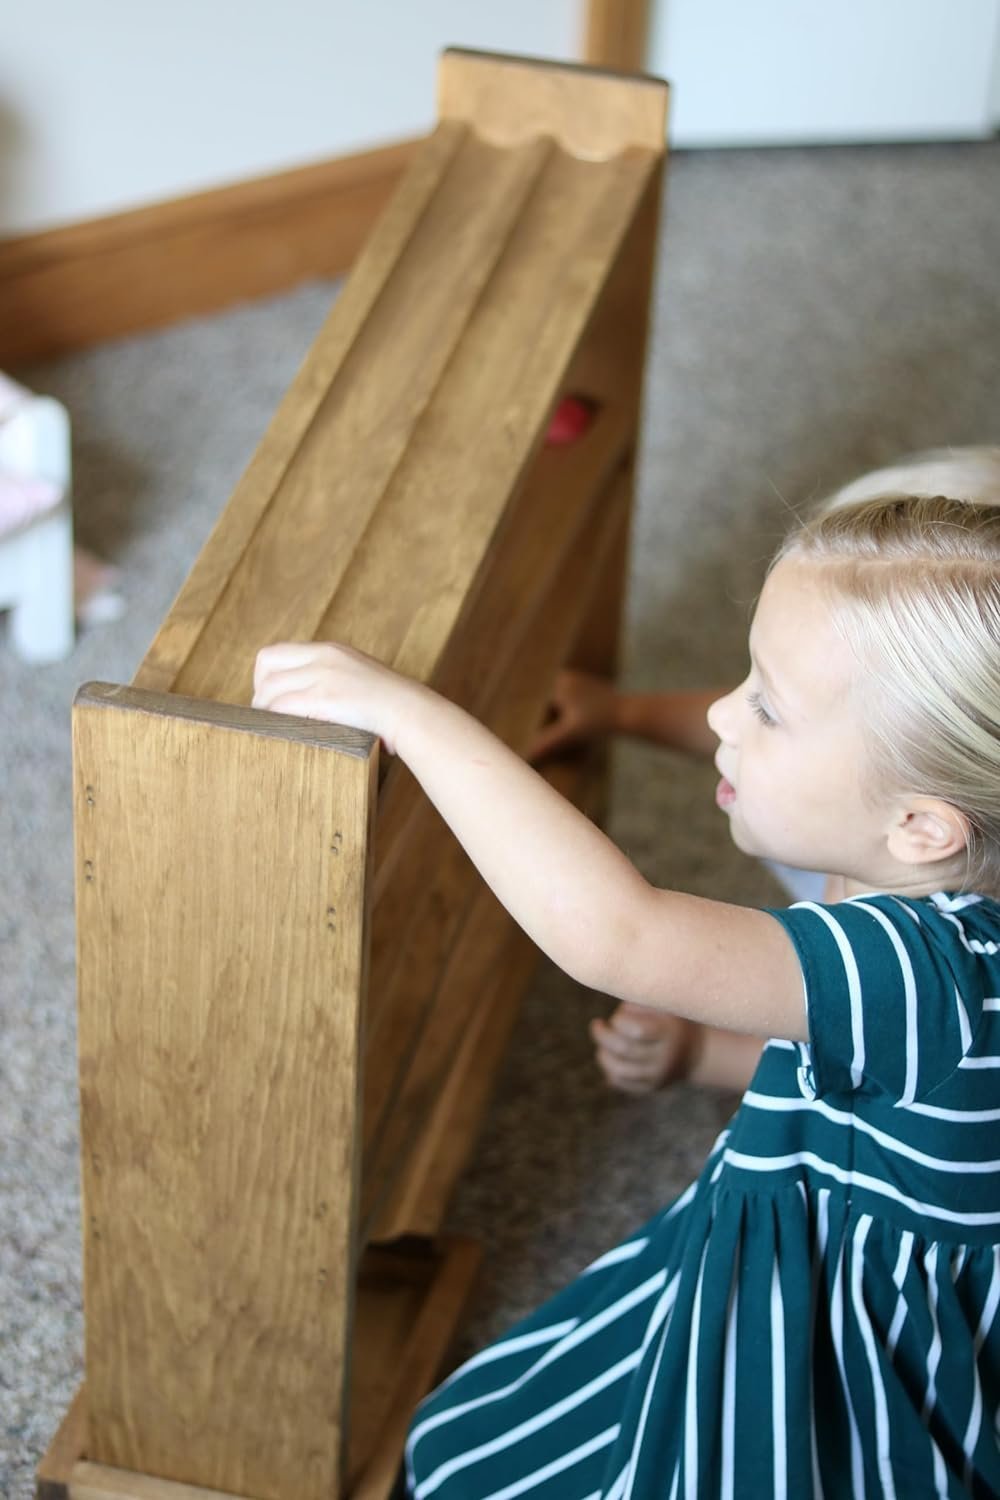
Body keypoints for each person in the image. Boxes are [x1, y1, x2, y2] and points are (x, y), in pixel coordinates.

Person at [252, 447, 1000, 1497]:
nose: (719, 716)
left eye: (764, 708)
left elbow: (619, 932)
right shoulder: (931, 852)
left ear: (921, 826)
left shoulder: (920, 967)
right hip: (842, 1241)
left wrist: (411, 716)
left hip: (835, 1351)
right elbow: (913, 1112)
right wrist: (708, 1047)